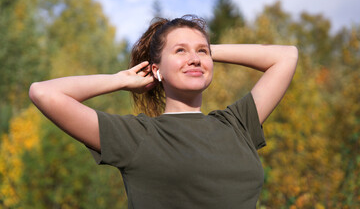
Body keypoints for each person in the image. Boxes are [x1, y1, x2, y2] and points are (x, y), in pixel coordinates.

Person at [29, 15, 298, 208]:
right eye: (179, 51)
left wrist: (203, 50)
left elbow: (286, 56)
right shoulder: (136, 137)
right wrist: (121, 80)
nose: (194, 58)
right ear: (156, 70)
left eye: (202, 52)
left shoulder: (238, 124)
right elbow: (44, 93)